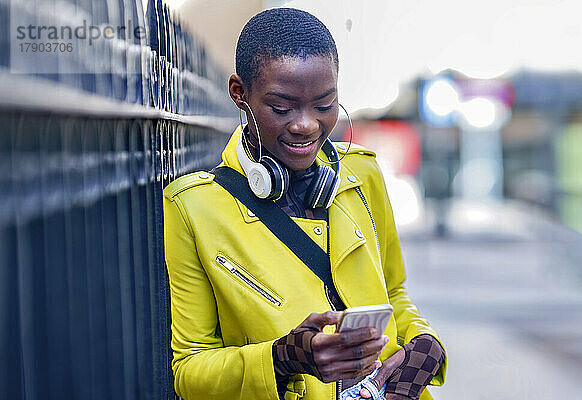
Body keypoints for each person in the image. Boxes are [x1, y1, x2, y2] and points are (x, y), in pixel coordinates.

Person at [163, 8, 446, 400]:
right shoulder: (192, 207)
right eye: (282, 108)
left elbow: (393, 293)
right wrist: (283, 359)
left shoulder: (362, 175)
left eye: (324, 105)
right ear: (239, 93)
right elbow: (190, 371)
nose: (306, 125)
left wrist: (424, 343)